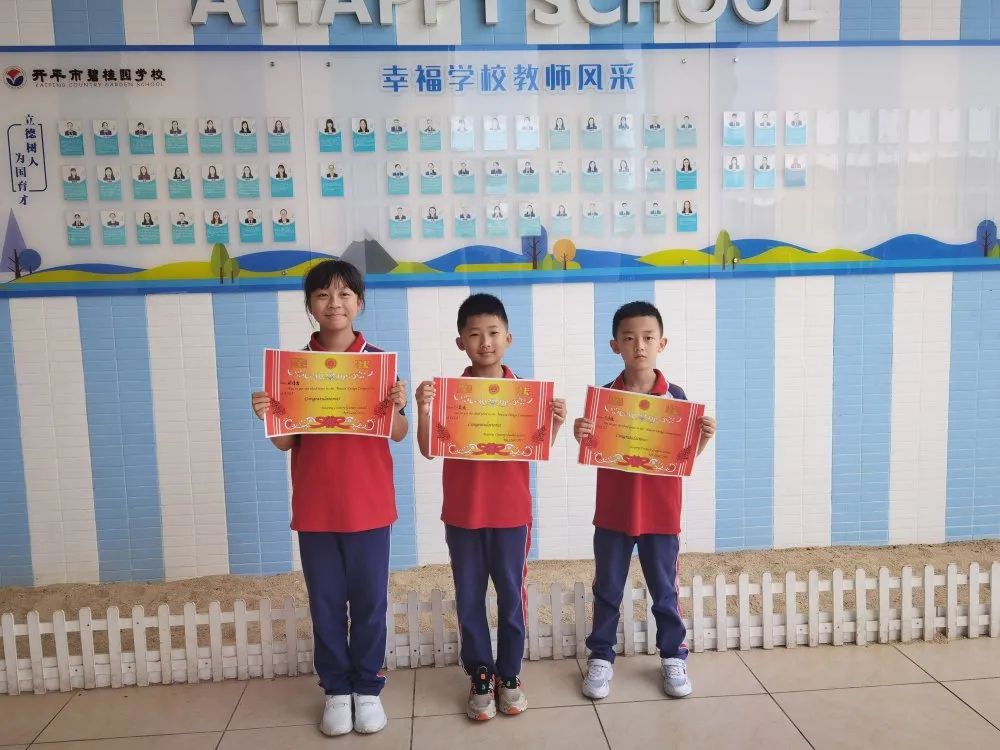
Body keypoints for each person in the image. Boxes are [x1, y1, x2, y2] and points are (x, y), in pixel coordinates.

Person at [251, 260, 408, 737]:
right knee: (325, 605)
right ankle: (337, 691)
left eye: (344, 294)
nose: (334, 303)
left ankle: (368, 688)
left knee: (370, 604)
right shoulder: (294, 370)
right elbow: (286, 442)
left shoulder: (378, 364)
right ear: (310, 305)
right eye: (323, 295)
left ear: (359, 303)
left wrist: (397, 407)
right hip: (316, 509)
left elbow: (400, 433)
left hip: (370, 507)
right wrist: (268, 414)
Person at [415, 294, 565, 721]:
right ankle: (481, 674)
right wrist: (425, 409)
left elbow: (535, 450)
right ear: (460, 342)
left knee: (512, 597)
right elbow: (427, 449)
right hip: (463, 514)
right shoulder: (450, 395)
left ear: (508, 338)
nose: (485, 342)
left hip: (511, 515)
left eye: (493, 333)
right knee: (469, 598)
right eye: (475, 334)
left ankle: (510, 675)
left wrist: (553, 423)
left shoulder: (525, 394)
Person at [573, 301, 716, 702]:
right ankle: (601, 657)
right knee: (608, 590)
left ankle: (672, 656)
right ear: (614, 345)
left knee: (665, 592)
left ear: (661, 343)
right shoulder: (604, 399)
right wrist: (581, 432)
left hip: (661, 514)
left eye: (648, 338)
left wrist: (702, 438)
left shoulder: (676, 397)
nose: (639, 345)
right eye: (629, 338)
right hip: (614, 512)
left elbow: (682, 459)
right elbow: (595, 449)